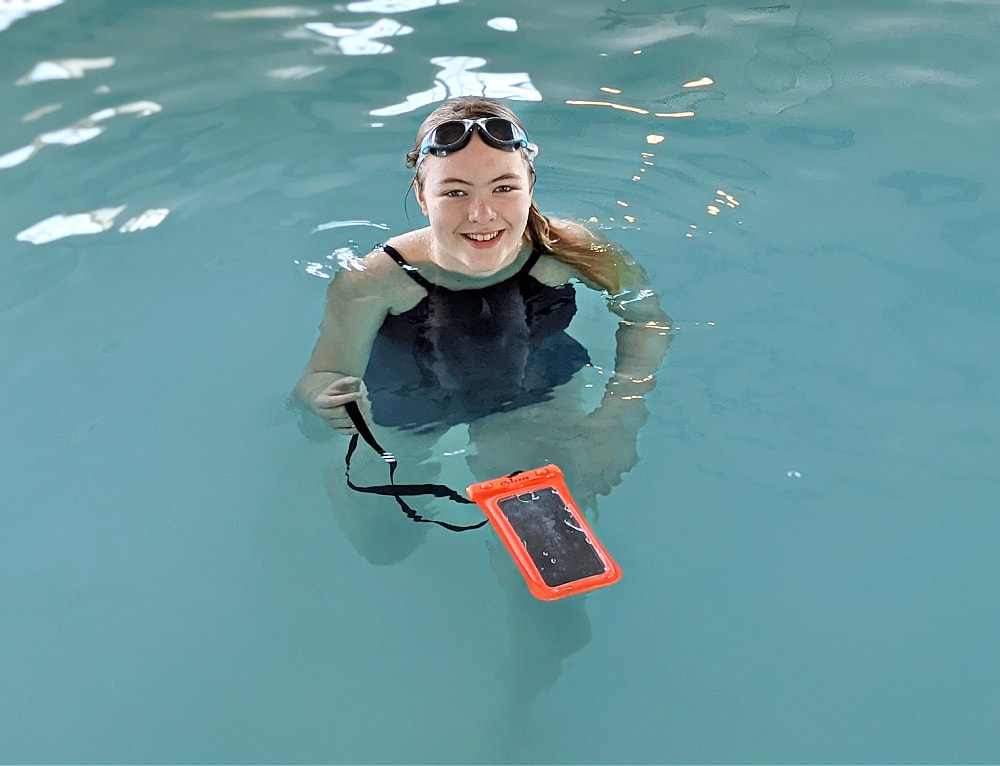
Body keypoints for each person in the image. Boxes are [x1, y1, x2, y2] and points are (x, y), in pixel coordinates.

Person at [294, 96, 671, 508]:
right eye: (455, 192)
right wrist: (325, 398)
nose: (481, 214)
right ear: (423, 197)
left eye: (504, 188)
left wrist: (620, 413)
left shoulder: (573, 251)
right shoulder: (375, 280)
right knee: (382, 545)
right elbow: (320, 376)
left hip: (536, 388)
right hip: (410, 401)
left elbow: (647, 320)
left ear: (530, 187)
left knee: (561, 524)